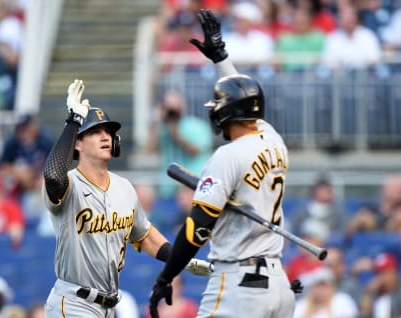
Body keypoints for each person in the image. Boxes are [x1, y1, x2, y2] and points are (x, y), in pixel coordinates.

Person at [149, 9, 296, 318]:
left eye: (218, 106)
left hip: (239, 284)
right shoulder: (273, 139)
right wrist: (220, 57)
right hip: (278, 285)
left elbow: (196, 229)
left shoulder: (227, 156)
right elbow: (245, 96)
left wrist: (166, 276)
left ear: (225, 114)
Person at [42, 79, 212, 317]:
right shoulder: (69, 183)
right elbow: (51, 176)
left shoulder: (124, 188)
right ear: (77, 143)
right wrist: (74, 121)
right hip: (74, 302)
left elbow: (144, 235)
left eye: (108, 132)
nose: (105, 136)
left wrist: (180, 259)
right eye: (95, 131)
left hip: (110, 305)